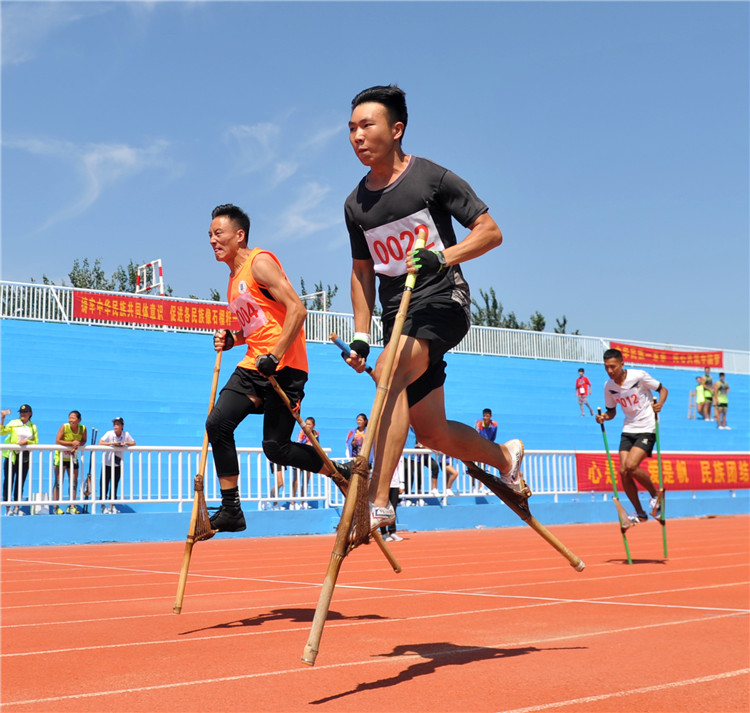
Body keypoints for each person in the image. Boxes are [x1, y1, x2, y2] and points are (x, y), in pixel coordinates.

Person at [342, 85, 526, 532]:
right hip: (398, 317)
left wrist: (442, 256)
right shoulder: (355, 205)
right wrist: (362, 334)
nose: (357, 136)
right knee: (432, 432)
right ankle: (507, 455)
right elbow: (362, 273)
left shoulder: (431, 179)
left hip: (444, 300)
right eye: (351, 129)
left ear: (397, 129)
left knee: (391, 369)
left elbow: (490, 231)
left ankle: (380, 501)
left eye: (367, 125)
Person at [205, 204, 348, 532]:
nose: (213, 240)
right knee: (218, 424)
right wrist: (234, 340)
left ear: (239, 236)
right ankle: (231, 510)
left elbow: (297, 310)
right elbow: (259, 325)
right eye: (210, 235)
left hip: (285, 367)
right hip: (254, 365)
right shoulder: (232, 281)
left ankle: (341, 473)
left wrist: (276, 353)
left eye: (218, 233)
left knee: (276, 448)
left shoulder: (260, 263)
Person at [595, 348, 668, 522]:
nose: (610, 371)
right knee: (623, 471)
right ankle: (640, 513)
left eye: (613, 366)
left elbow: (663, 389)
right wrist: (604, 417)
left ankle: (655, 495)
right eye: (606, 367)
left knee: (632, 466)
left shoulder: (638, 376)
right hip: (628, 428)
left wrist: (661, 404)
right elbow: (611, 411)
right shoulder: (609, 387)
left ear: (622, 363)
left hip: (647, 425)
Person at [1, 404, 39, 516]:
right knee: (8, 481)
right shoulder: (14, 423)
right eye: (21, 412)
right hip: (11, 455)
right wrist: (2, 418)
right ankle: (8, 507)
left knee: (20, 481)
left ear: (30, 414)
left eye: (25, 412)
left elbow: (35, 442)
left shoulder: (33, 426)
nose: (23, 414)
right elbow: (1, 432)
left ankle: (17, 506)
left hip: (25, 457)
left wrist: (27, 442)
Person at [98, 417, 136, 514]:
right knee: (104, 484)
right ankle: (103, 505)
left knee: (114, 485)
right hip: (107, 463)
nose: (115, 426)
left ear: (122, 426)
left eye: (118, 424)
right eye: (114, 424)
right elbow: (100, 443)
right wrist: (112, 444)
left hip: (117, 464)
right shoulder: (109, 433)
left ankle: (112, 505)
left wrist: (125, 443)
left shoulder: (125, 434)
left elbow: (133, 443)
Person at [53, 410, 87, 514]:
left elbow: (84, 440)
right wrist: (71, 443)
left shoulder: (83, 428)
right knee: (59, 482)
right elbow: (58, 440)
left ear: (79, 419)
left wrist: (78, 444)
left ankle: (72, 505)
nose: (71, 420)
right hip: (61, 458)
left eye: (73, 418)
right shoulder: (64, 427)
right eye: (70, 418)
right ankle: (55, 507)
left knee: (74, 482)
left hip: (73, 457)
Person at [292, 417, 319, 508]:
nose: (307, 426)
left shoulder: (316, 434)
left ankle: (303, 501)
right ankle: (293, 502)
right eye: (306, 423)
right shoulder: (302, 433)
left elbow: (317, 445)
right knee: (296, 480)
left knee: (306, 481)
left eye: (309, 424)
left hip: (309, 459)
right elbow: (299, 442)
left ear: (313, 425)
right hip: (299, 458)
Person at [380, 459, 404, 542]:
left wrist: (401, 483)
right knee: (383, 508)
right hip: (382, 483)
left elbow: (400, 467)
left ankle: (392, 531)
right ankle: (383, 533)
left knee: (393, 508)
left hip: (394, 483)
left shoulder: (397, 452)